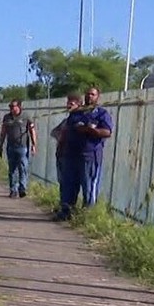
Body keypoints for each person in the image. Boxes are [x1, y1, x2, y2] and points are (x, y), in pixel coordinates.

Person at [56, 86, 113, 220]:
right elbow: (66, 131)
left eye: (92, 94)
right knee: (69, 185)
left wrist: (89, 130)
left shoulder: (101, 113)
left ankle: (87, 216)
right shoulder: (76, 113)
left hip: (89, 156)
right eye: (87, 94)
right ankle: (66, 212)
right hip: (71, 155)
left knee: (89, 187)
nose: (89, 96)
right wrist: (61, 150)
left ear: (98, 97)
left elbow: (107, 132)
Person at [0, 99, 37, 198]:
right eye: (10, 107)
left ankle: (22, 188)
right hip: (11, 146)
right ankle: (13, 190)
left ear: (19, 107)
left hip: (22, 146)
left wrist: (33, 145)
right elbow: (3, 132)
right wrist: (1, 145)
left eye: (13, 106)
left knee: (23, 168)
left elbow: (32, 131)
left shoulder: (26, 116)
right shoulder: (7, 118)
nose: (11, 109)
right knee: (12, 169)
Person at [52, 93, 82, 178]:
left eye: (71, 104)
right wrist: (61, 136)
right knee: (62, 181)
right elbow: (53, 132)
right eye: (68, 103)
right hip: (61, 154)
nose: (68, 106)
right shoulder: (66, 121)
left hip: (71, 157)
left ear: (78, 105)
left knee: (68, 183)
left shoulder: (80, 120)